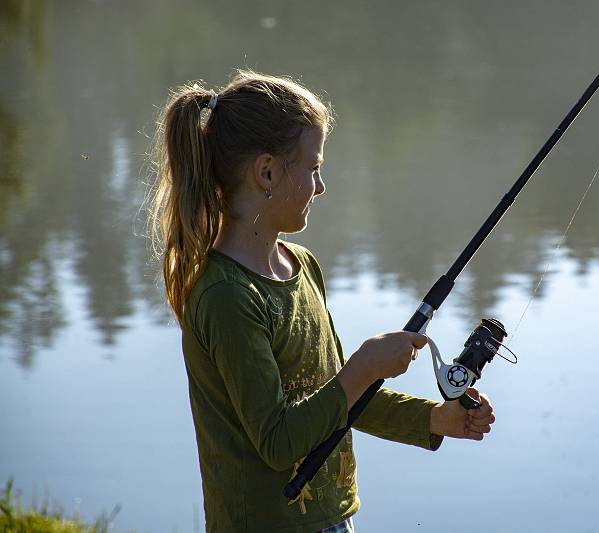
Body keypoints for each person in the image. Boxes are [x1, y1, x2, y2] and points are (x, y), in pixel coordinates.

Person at [147, 70, 496, 533]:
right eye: (313, 169)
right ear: (267, 172)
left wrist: (434, 419)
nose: (322, 186)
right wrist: (367, 365)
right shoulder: (227, 296)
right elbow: (278, 441)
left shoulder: (302, 266)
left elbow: (338, 396)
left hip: (331, 519)